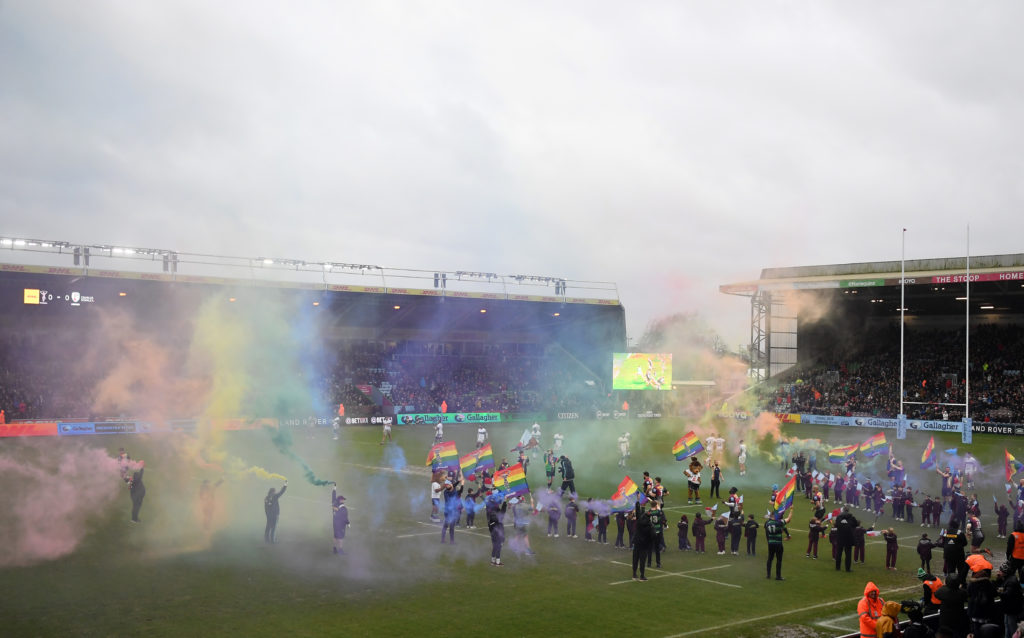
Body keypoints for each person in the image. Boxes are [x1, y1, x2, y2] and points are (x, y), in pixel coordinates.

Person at [632, 499, 653, 581]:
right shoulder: (649, 525)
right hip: (644, 545)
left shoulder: (639, 522)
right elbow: (652, 536)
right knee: (642, 560)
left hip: (637, 543)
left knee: (635, 558)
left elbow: (638, 513)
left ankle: (634, 574)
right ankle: (642, 575)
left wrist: (637, 502)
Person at [486, 493, 508, 566]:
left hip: (492, 529)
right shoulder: (494, 510)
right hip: (497, 529)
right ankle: (498, 562)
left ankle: (492, 561)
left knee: (495, 545)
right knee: (499, 545)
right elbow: (502, 514)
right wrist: (505, 502)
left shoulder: (489, 508)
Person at [835, 506, 859, 572]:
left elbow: (836, 525)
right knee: (848, 554)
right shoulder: (851, 517)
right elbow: (856, 524)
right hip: (849, 537)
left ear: (843, 510)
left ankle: (837, 567)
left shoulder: (839, 517)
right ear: (848, 510)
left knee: (839, 553)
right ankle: (847, 569)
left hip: (840, 537)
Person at [765, 514, 788, 580]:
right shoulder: (779, 522)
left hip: (771, 543)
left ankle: (768, 575)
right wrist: (791, 510)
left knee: (770, 559)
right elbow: (787, 520)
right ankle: (778, 576)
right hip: (778, 543)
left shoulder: (767, 523)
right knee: (779, 560)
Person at [331, 484, 350, 554]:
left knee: (335, 536)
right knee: (340, 538)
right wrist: (348, 523)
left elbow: (333, 497)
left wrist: (334, 489)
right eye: (342, 500)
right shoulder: (343, 509)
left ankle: (334, 549)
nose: (343, 501)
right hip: (340, 525)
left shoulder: (334, 503)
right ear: (340, 501)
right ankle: (340, 550)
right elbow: (344, 517)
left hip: (335, 523)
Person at [441, 480, 460, 544]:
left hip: (453, 512)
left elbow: (453, 486)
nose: (446, 486)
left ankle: (451, 541)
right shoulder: (446, 492)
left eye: (447, 485)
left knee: (451, 527)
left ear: (451, 485)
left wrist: (458, 481)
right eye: (446, 485)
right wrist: (453, 487)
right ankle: (443, 540)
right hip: (448, 512)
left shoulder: (453, 490)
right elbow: (450, 499)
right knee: (446, 526)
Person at [648, 501, 666, 567]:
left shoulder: (648, 512)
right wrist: (658, 508)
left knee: (649, 548)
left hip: (650, 531)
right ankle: (658, 563)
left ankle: (649, 563)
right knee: (657, 548)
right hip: (657, 531)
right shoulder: (658, 512)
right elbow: (662, 516)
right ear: (656, 505)